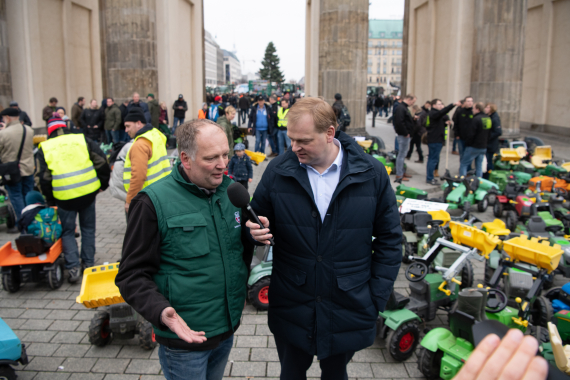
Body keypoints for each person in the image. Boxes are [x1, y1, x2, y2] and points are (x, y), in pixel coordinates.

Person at [247, 97, 402, 380]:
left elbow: (390, 241)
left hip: (348, 304)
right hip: (292, 303)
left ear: (329, 133)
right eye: (291, 139)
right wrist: (254, 231)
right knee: (291, 374)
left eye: (303, 140)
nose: (294, 147)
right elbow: (254, 221)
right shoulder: (278, 170)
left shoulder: (372, 173)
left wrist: (376, 298)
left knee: (336, 374)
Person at [115, 119, 253, 380]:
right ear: (186, 159)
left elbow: (239, 250)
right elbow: (131, 275)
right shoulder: (152, 203)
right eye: (212, 158)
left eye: (225, 154)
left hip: (226, 328)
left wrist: (255, 234)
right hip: (183, 341)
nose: (223, 164)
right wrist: (160, 312)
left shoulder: (232, 192)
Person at [36, 114, 110, 282]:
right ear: (66, 126)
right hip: (88, 194)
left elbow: (44, 178)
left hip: (64, 198)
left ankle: (73, 267)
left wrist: (50, 200)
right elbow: (102, 161)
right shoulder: (81, 139)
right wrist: (103, 185)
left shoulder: (45, 147)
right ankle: (89, 264)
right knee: (88, 229)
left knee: (68, 232)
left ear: (50, 131)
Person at [122, 108, 172, 215]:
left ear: (138, 123)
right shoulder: (155, 135)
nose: (125, 130)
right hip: (161, 192)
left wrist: (130, 200)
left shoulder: (140, 144)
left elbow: (138, 176)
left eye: (128, 126)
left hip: (147, 197)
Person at [0, 107, 34, 227]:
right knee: (28, 194)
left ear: (8, 118)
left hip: (12, 171)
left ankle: (23, 222)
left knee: (16, 196)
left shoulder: (3, 133)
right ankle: (31, 219)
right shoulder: (29, 130)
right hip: (28, 168)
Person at [425, 99, 461, 185]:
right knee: (433, 159)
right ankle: (430, 178)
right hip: (435, 140)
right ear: (434, 105)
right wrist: (452, 104)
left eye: (441, 104)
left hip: (436, 139)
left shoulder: (436, 114)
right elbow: (442, 112)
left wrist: (446, 123)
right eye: (439, 104)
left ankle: (430, 177)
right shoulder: (434, 113)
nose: (441, 105)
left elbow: (439, 123)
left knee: (432, 159)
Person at [460, 102, 492, 178]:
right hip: (483, 146)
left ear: (478, 109)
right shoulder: (488, 119)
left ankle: (462, 182)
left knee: (464, 164)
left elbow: (471, 134)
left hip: (473, 146)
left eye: (474, 108)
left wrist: (467, 143)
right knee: (479, 166)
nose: (472, 110)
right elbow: (489, 133)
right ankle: (478, 182)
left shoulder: (476, 119)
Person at [393, 94, 416, 183]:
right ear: (409, 100)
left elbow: (404, 120)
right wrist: (405, 133)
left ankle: (402, 171)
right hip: (403, 135)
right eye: (413, 102)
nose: (412, 104)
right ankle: (399, 174)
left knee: (402, 154)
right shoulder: (401, 108)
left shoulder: (403, 107)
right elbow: (400, 121)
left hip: (404, 134)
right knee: (401, 155)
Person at [454, 96, 474, 168]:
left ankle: (468, 170)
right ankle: (462, 169)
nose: (470, 103)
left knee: (469, 155)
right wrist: (456, 134)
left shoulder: (474, 112)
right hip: (461, 137)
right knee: (462, 154)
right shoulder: (460, 112)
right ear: (465, 102)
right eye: (468, 101)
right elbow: (456, 123)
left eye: (471, 101)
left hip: (471, 138)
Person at [484, 103, 502, 179]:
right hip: (489, 144)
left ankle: (489, 176)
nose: (486, 109)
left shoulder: (494, 118)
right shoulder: (490, 117)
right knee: (488, 161)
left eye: (488, 107)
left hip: (491, 144)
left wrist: (488, 137)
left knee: (489, 162)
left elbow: (498, 132)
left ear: (491, 109)